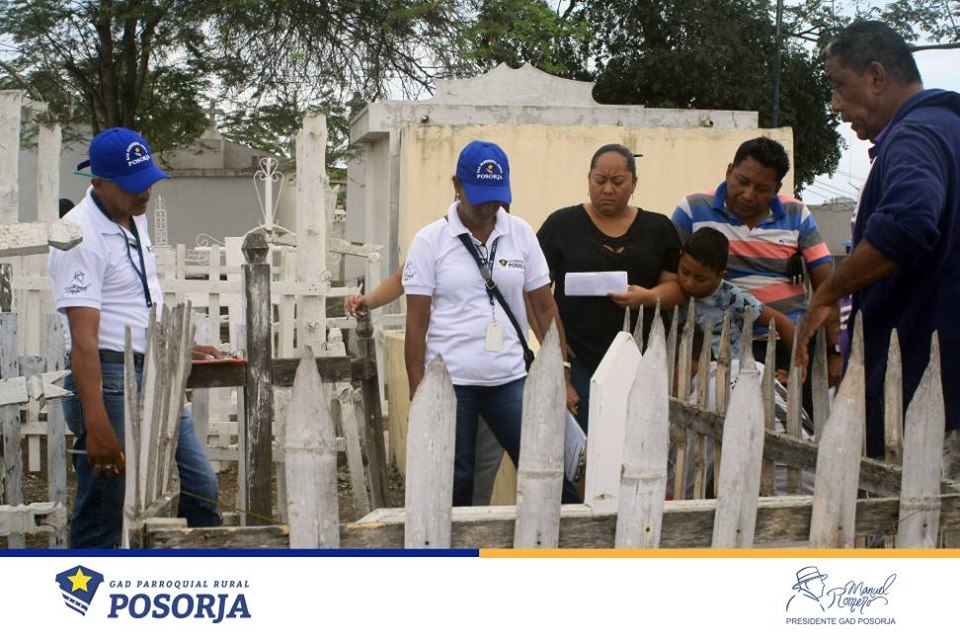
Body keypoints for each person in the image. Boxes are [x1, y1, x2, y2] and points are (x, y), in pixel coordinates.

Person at [48, 128, 221, 548]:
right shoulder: (77, 234)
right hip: (110, 378)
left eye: (148, 181)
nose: (145, 192)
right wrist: (96, 423)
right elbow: (83, 339)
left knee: (202, 485)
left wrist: (175, 347)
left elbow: (134, 300)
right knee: (107, 505)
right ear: (99, 182)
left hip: (156, 371)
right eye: (132, 185)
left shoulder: (133, 216)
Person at [796, 21, 960, 461]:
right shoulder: (947, 129)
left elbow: (909, 223)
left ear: (875, 76)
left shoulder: (914, 135)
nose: (835, 105)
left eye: (839, 86)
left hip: (920, 393)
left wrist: (827, 292)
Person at [403, 140, 580, 506]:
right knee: (457, 479)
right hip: (451, 381)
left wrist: (561, 372)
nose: (487, 209)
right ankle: (454, 542)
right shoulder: (430, 241)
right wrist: (417, 388)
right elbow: (417, 324)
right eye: (479, 199)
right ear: (457, 185)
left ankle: (568, 536)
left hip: (509, 378)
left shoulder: (521, 234)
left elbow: (544, 309)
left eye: (496, 199)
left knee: (541, 464)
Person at [537, 144, 685, 432]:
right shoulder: (561, 225)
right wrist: (555, 344)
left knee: (636, 434)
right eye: (600, 180)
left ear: (634, 183)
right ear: (588, 179)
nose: (607, 189)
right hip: (578, 357)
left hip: (642, 357)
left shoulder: (658, 228)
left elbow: (676, 288)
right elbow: (536, 291)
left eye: (617, 181)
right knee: (588, 439)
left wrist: (647, 297)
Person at [671, 137, 840, 381]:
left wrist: (835, 350)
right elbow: (669, 274)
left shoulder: (796, 214)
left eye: (762, 188)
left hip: (786, 345)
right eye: (742, 181)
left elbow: (828, 288)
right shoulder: (692, 209)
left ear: (777, 188)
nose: (749, 195)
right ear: (729, 171)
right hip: (712, 346)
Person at [677, 227, 795, 362]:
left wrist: (796, 367)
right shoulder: (673, 290)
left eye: (700, 279)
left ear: (720, 276)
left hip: (729, 369)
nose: (689, 283)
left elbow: (783, 323)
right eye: (684, 272)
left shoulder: (731, 297)